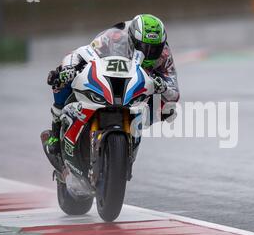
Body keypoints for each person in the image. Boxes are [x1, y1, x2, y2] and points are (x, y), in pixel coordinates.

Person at [44, 14, 180, 155]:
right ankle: (55, 131)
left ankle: (132, 134)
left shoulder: (164, 55)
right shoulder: (115, 37)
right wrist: (69, 69)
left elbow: (174, 93)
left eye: (155, 49)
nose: (149, 53)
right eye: (145, 47)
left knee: (168, 109)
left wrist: (163, 87)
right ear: (132, 39)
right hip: (110, 75)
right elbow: (82, 52)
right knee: (61, 76)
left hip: (140, 83)